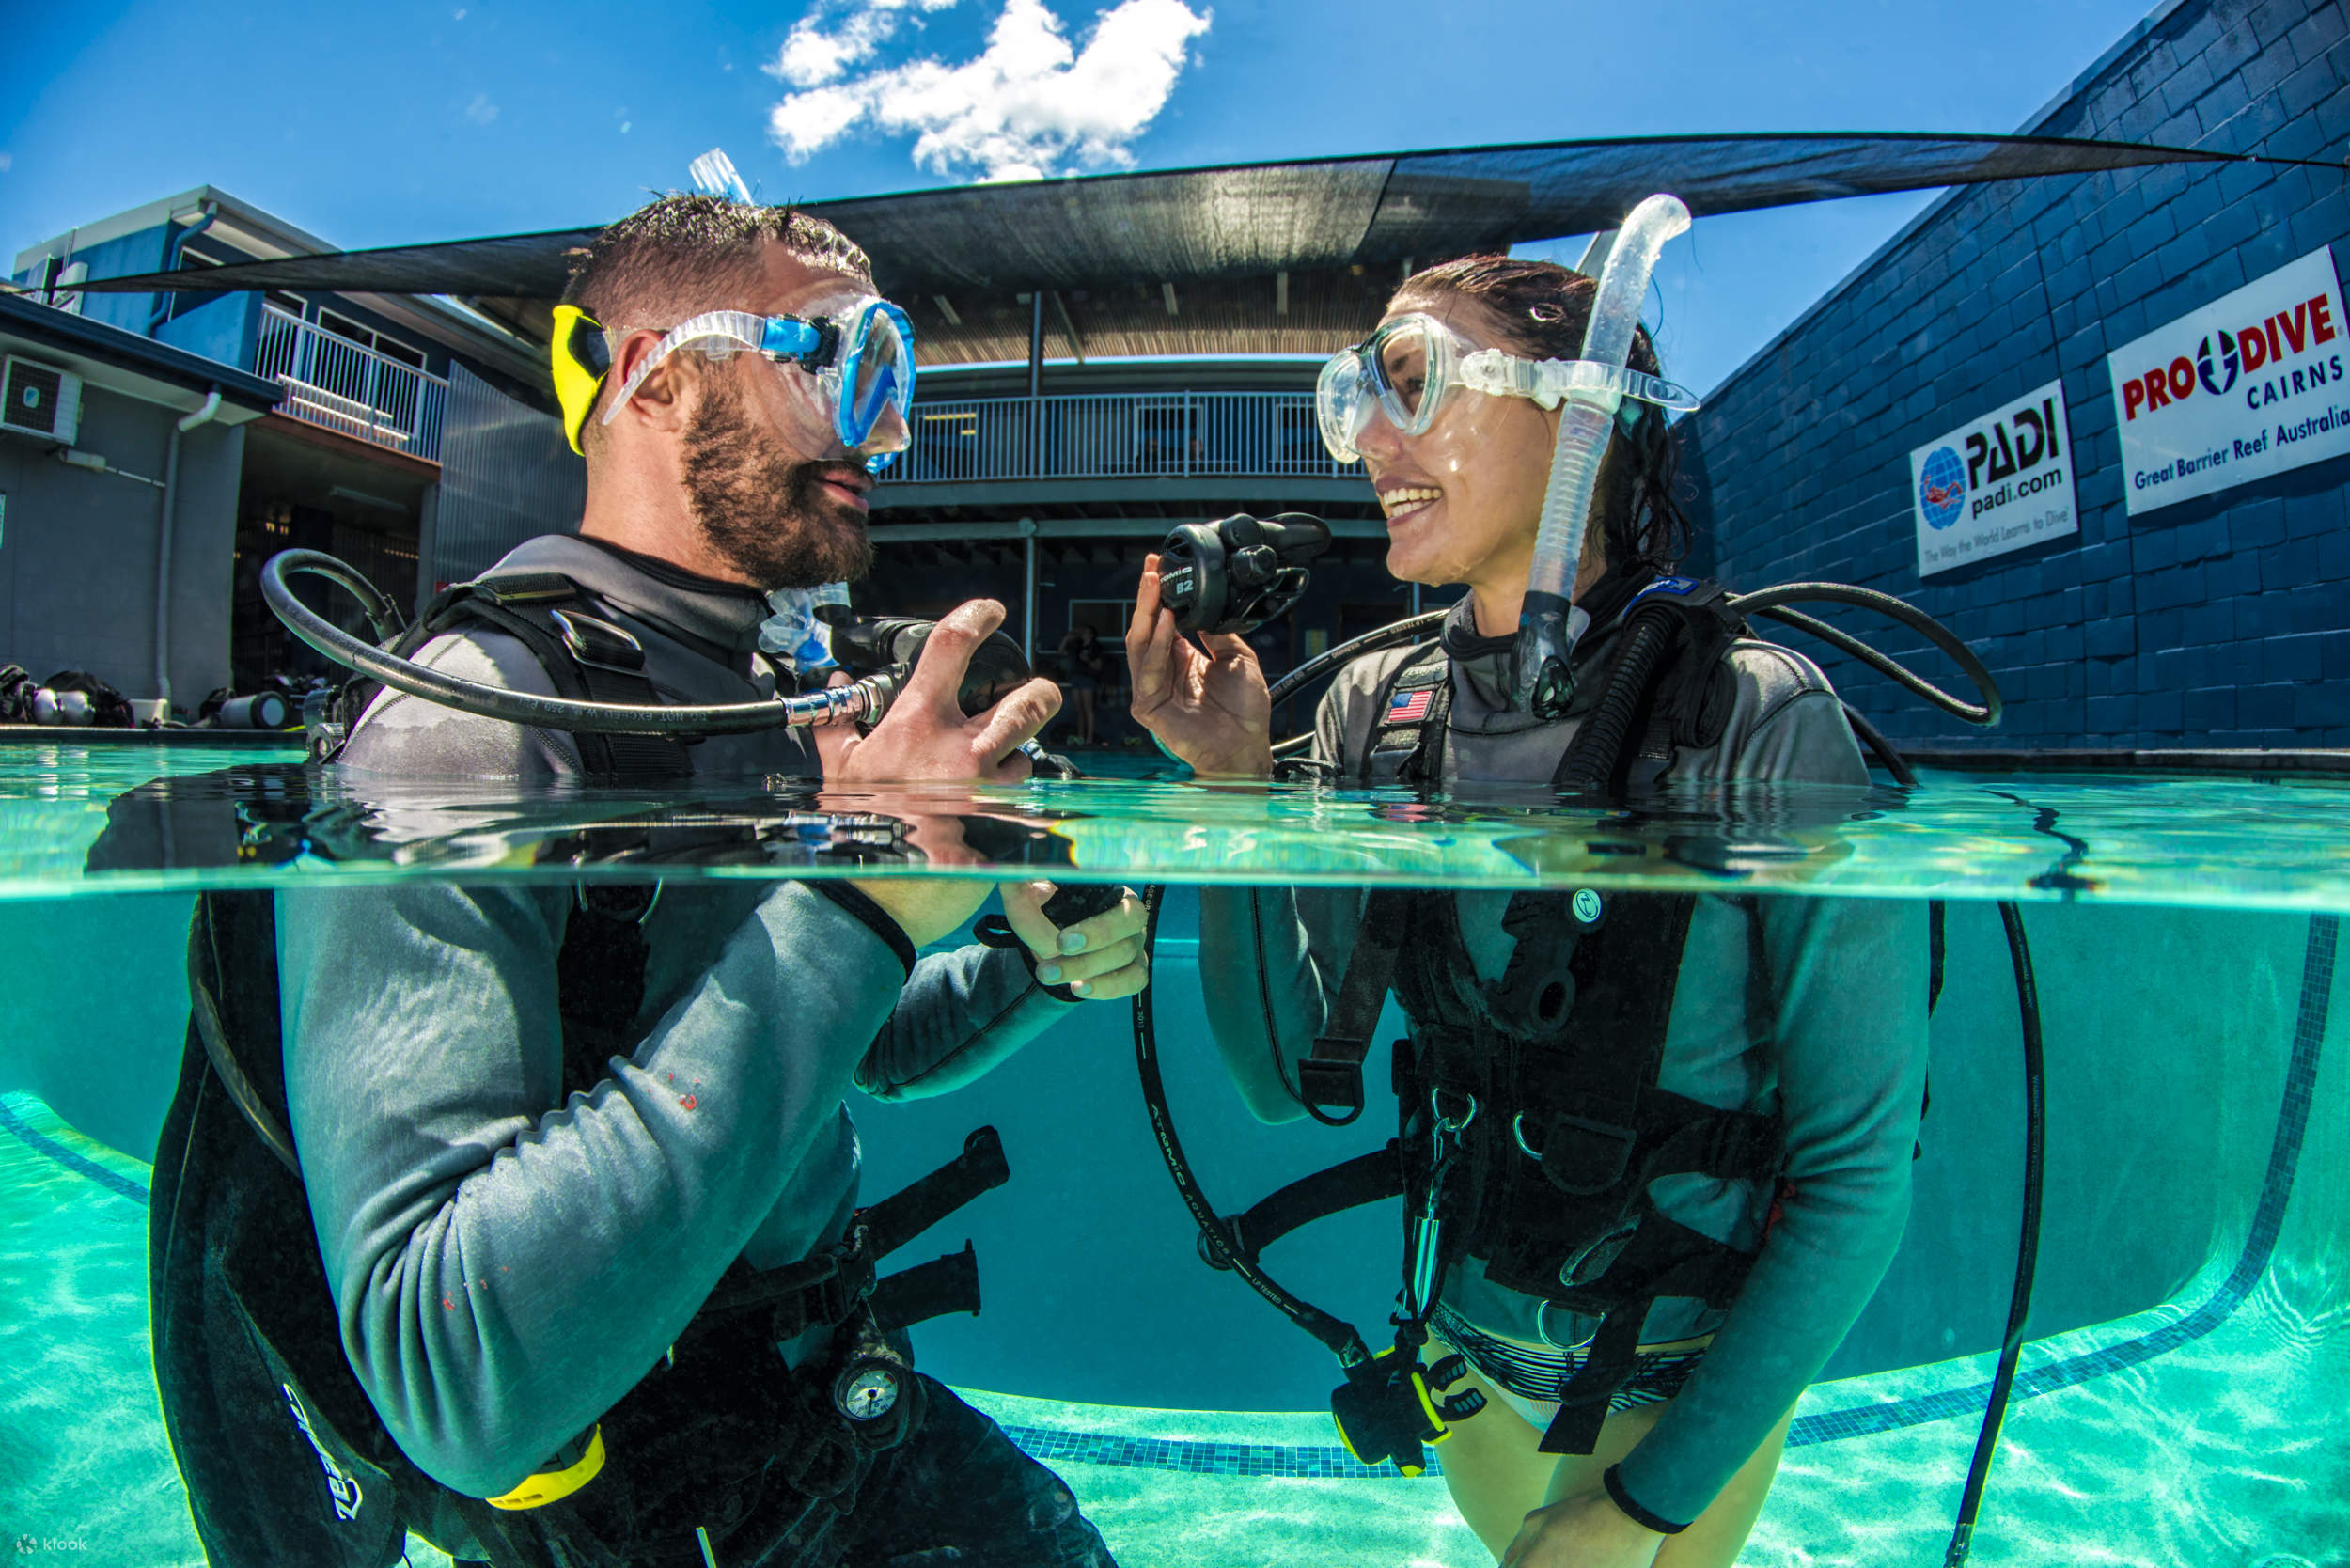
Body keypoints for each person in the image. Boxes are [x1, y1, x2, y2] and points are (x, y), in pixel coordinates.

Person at [151, 196, 1148, 1568]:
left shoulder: (769, 696)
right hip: (630, 1495)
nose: (879, 426)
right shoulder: (472, 723)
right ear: (649, 372)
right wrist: (863, 908)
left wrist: (1024, 966)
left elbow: (824, 1055)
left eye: (891, 373)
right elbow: (458, 1378)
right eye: (827, 360)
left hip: (817, 1395)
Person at [1125, 256, 1926, 1568]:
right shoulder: (1369, 717)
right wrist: (1230, 794)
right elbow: (1279, 1081)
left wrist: (1645, 1507)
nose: (1370, 443)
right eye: (1353, 404)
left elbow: (1856, 1179)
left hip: (1673, 1383)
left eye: (1410, 385)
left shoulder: (1755, 718)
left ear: (1581, 415)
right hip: (1461, 1364)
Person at [1057, 623, 1110, 745]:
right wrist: (1067, 638)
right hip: (1076, 678)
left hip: (1088, 679)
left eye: (1085, 632)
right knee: (1078, 709)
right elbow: (1060, 652)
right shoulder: (1077, 645)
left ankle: (1089, 738)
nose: (1083, 633)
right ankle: (1081, 736)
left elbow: (1098, 666)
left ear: (1091, 634)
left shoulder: (1096, 647)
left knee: (1088, 709)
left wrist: (1088, 660)